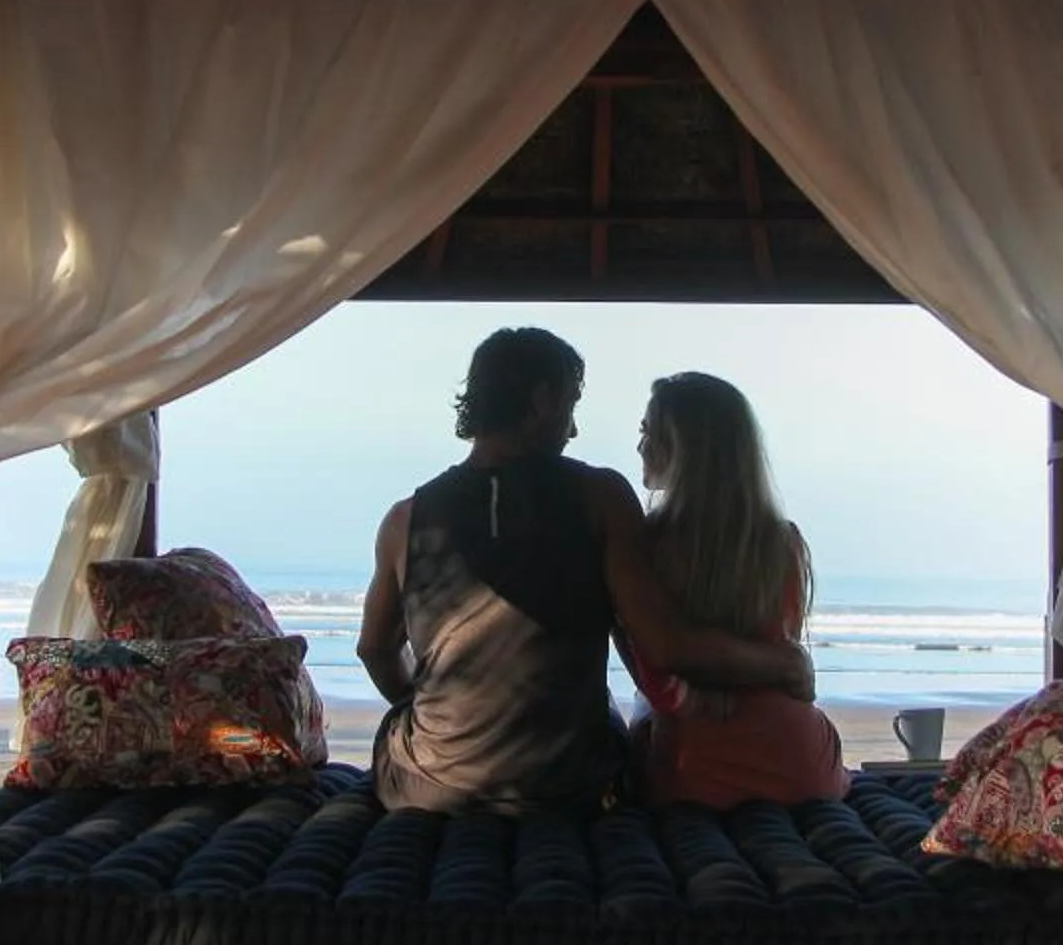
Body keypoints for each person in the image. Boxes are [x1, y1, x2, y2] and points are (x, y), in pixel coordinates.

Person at [357, 329, 813, 815]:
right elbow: (665, 645)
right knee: (610, 722)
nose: (573, 432)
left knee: (403, 729)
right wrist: (782, 664)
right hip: (569, 787)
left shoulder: (404, 521)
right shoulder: (602, 498)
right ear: (541, 402)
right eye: (571, 407)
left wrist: (433, 712)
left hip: (434, 792)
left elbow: (374, 649)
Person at [625, 371, 849, 808]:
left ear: (684, 449)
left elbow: (652, 669)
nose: (640, 447)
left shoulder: (641, 549)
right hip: (799, 762)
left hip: (693, 765)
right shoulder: (780, 544)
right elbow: (786, 665)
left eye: (649, 433)